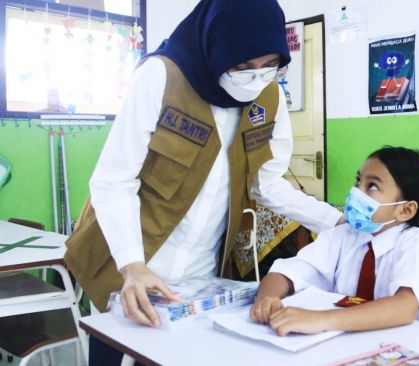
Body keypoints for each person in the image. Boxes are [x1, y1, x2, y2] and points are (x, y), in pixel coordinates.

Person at [63, 0, 342, 363]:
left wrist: (336, 221)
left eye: (269, 66)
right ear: (215, 47)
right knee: (115, 355)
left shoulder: (269, 97)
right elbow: (113, 181)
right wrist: (132, 265)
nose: (255, 78)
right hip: (128, 261)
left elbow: (267, 184)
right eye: (243, 66)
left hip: (199, 275)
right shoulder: (162, 76)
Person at [250, 146, 419, 335]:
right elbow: (286, 272)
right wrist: (267, 299)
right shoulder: (341, 235)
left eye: (372, 186)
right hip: (342, 340)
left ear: (406, 210)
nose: (355, 192)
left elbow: (404, 307)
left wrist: (322, 319)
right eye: (358, 181)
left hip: (399, 345)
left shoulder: (417, 242)